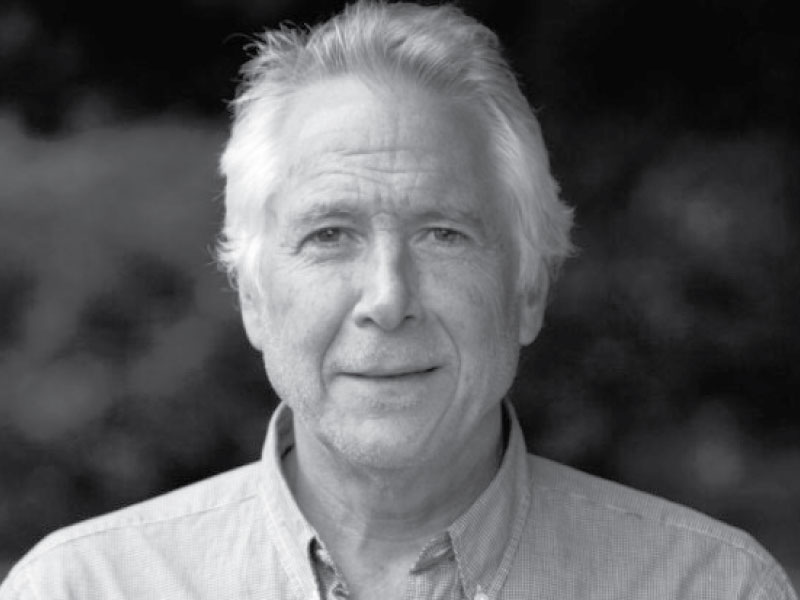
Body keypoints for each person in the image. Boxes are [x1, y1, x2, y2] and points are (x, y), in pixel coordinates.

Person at [1, 2, 796, 599]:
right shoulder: (81, 589)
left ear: (528, 288)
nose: (388, 299)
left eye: (444, 233)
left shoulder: (710, 586)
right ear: (252, 296)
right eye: (330, 235)